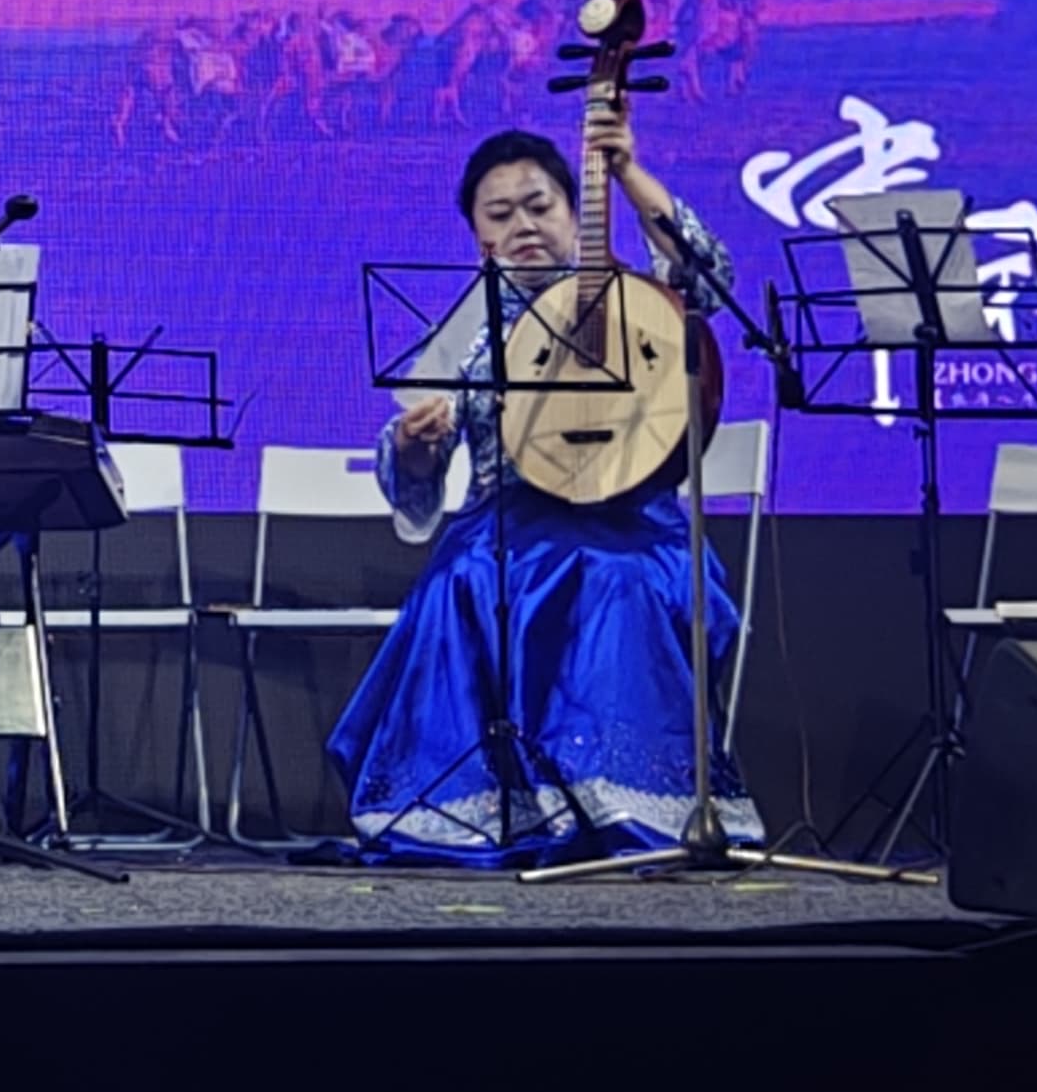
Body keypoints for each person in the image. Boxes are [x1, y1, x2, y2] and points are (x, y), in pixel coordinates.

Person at [326, 102, 764, 864]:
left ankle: (628, 802)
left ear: (575, 212)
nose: (523, 225)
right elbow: (419, 478)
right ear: (479, 237)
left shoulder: (638, 302)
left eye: (540, 205)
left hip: (632, 525)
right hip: (505, 524)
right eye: (500, 215)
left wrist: (625, 170)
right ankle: (494, 805)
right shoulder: (472, 332)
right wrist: (414, 447)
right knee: (466, 574)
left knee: (620, 579)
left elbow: (707, 274)